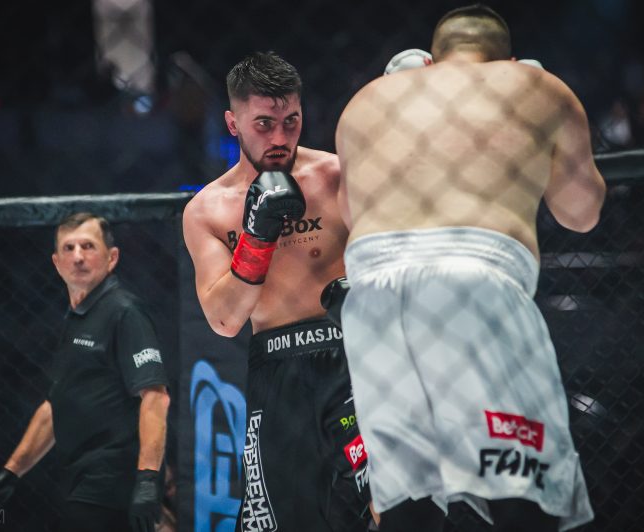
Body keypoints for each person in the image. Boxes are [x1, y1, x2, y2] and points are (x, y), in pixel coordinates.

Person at [334, 4, 606, 532]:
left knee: (408, 503)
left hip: (372, 298)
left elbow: (351, 213)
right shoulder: (533, 85)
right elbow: (581, 213)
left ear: (429, 60)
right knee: (522, 489)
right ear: (507, 60)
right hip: (474, 281)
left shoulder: (367, 99)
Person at [182, 51, 372, 532]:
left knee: (385, 504)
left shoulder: (337, 176)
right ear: (233, 123)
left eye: (291, 121)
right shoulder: (207, 210)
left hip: (353, 357)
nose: (281, 138)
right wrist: (257, 236)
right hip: (277, 372)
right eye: (264, 124)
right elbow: (224, 320)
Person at [0, 212, 170, 532]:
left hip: (114, 481)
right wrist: (10, 472)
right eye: (69, 248)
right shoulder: (77, 317)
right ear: (56, 262)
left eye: (88, 246)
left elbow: (155, 397)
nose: (78, 257)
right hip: (77, 478)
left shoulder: (124, 312)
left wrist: (147, 478)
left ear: (112, 258)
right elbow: (56, 405)